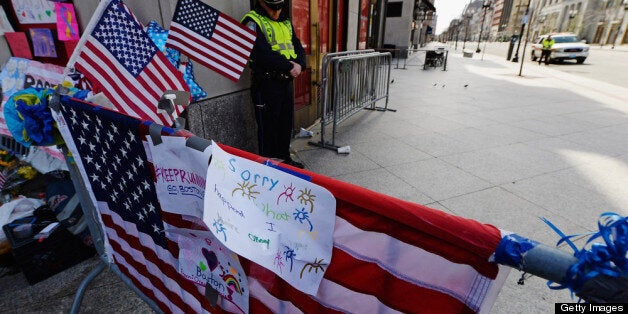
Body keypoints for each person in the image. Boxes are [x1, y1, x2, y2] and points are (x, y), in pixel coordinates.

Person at [241, 0, 307, 169]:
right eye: (273, 8)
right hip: (266, 84)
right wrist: (289, 66)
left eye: (279, 7)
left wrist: (300, 64)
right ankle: (268, 168)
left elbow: (297, 44)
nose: (276, 12)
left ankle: (285, 161)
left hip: (285, 83)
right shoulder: (252, 20)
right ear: (262, 2)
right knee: (268, 129)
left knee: (285, 125)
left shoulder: (284, 21)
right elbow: (259, 52)